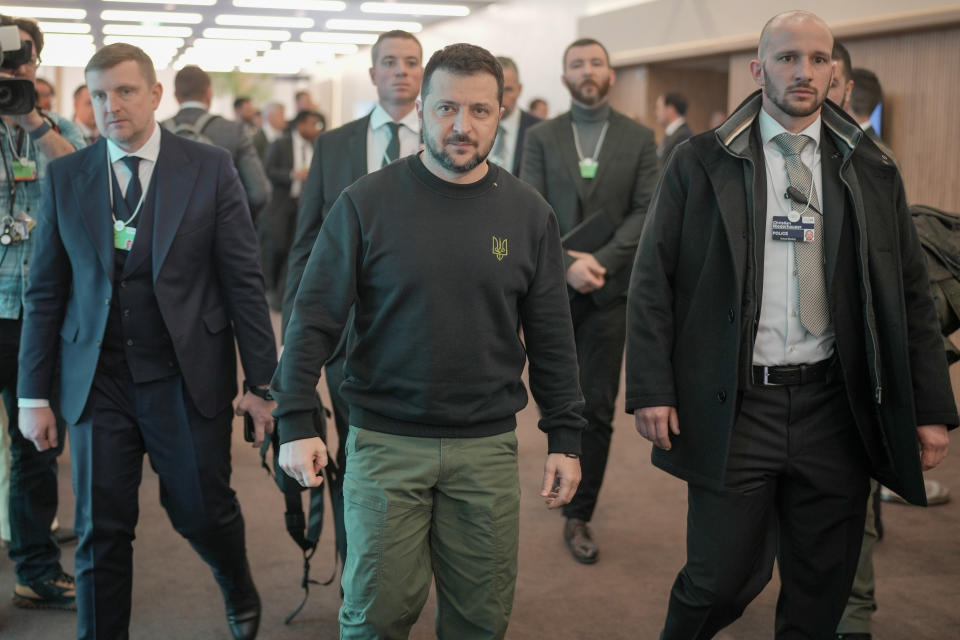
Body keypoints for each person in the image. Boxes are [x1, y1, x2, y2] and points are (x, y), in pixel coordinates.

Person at [626, 11, 956, 639]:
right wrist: (651, 388)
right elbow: (652, 282)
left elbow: (909, 294)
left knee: (822, 584)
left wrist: (929, 405)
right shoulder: (700, 160)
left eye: (817, 59)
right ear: (759, 69)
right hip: (738, 404)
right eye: (786, 58)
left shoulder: (871, 167)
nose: (802, 71)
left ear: (834, 74)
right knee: (719, 578)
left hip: (834, 406)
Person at [273, 42, 585, 639]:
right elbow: (312, 318)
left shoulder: (528, 213)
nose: (461, 127)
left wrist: (564, 436)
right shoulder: (366, 202)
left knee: (480, 620)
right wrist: (295, 419)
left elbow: (551, 336)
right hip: (387, 442)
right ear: (420, 109)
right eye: (445, 109)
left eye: (479, 111)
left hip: (487, 448)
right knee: (376, 619)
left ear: (501, 114)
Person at [17, 43, 277, 640]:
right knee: (100, 527)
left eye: (126, 91)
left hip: (184, 375)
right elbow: (46, 292)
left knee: (199, 510)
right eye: (100, 95)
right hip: (97, 379)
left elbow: (243, 281)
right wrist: (34, 395)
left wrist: (264, 385)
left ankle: (235, 578)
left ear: (156, 95)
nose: (112, 106)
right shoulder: (67, 176)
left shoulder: (208, 167)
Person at [280, 29, 425, 566]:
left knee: (408, 458)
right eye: (390, 62)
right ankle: (354, 566)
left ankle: (403, 565)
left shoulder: (442, 140)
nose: (401, 72)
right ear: (372, 73)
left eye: (412, 62)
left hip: (416, 330)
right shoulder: (336, 144)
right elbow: (308, 240)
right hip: (345, 332)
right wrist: (295, 334)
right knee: (352, 453)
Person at [520, 37, 658, 565]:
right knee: (553, 394)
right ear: (564, 77)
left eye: (596, 62)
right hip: (551, 291)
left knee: (597, 406)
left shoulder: (639, 137)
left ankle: (580, 513)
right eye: (577, 63)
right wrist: (566, 262)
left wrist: (599, 261)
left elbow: (647, 209)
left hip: (609, 291)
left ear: (611, 73)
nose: (587, 71)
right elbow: (529, 206)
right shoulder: (542, 136)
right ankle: (561, 457)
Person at [0, 13, 85, 612]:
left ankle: (35, 570)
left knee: (35, 446)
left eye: (19, 60)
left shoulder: (55, 131)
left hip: (34, 318)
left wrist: (31, 118)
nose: (9, 72)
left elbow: (81, 183)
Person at [168, 65, 271, 218]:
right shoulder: (234, 131)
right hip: (220, 231)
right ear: (209, 92)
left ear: (176, 96)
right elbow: (259, 193)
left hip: (168, 234)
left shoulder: (158, 130)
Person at [261, 109, 323, 309]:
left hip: (306, 205)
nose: (316, 129)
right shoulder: (280, 144)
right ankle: (270, 291)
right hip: (282, 203)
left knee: (295, 249)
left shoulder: (318, 144)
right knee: (278, 246)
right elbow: (267, 170)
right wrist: (292, 174)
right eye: (312, 124)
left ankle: (285, 294)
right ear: (300, 125)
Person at [488, 56, 540, 174]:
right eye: (495, 90)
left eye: (507, 90)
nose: (501, 97)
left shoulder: (539, 130)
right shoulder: (471, 127)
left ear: (519, 89)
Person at [655, 92, 692, 167]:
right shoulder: (673, 133)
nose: (655, 112)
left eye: (658, 108)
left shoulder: (683, 136)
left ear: (670, 109)